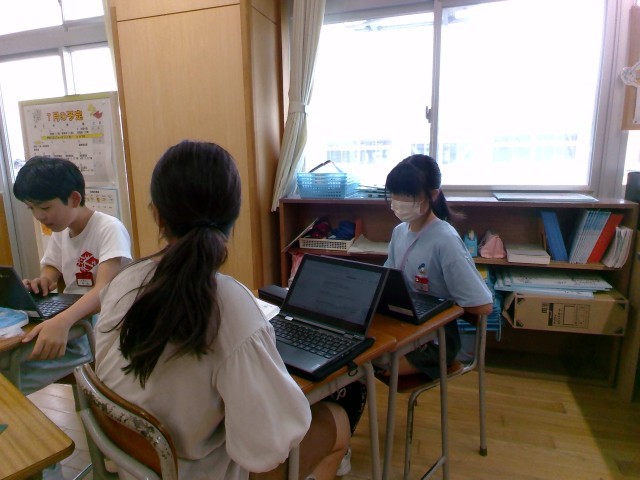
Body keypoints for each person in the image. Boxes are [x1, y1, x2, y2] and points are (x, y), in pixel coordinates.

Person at [94, 140, 350, 480]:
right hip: (201, 473)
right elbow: (268, 448)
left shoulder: (124, 283)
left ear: (156, 214)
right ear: (234, 218)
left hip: (135, 465)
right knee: (339, 416)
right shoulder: (230, 305)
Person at [10, 156, 132, 394]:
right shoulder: (61, 231)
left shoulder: (109, 228)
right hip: (75, 319)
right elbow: (51, 268)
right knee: (11, 361)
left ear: (75, 199)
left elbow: (104, 291)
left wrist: (63, 321)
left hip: (101, 325)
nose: (39, 216)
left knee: (13, 375)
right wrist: (43, 281)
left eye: (44, 207)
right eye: (31, 208)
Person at [383, 154, 493, 378]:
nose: (399, 201)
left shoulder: (445, 240)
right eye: (395, 193)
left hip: (437, 339)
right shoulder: (399, 232)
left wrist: (436, 308)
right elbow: (387, 279)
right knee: (358, 356)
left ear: (433, 195)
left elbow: (483, 307)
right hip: (407, 324)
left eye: (408, 195)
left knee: (374, 366)